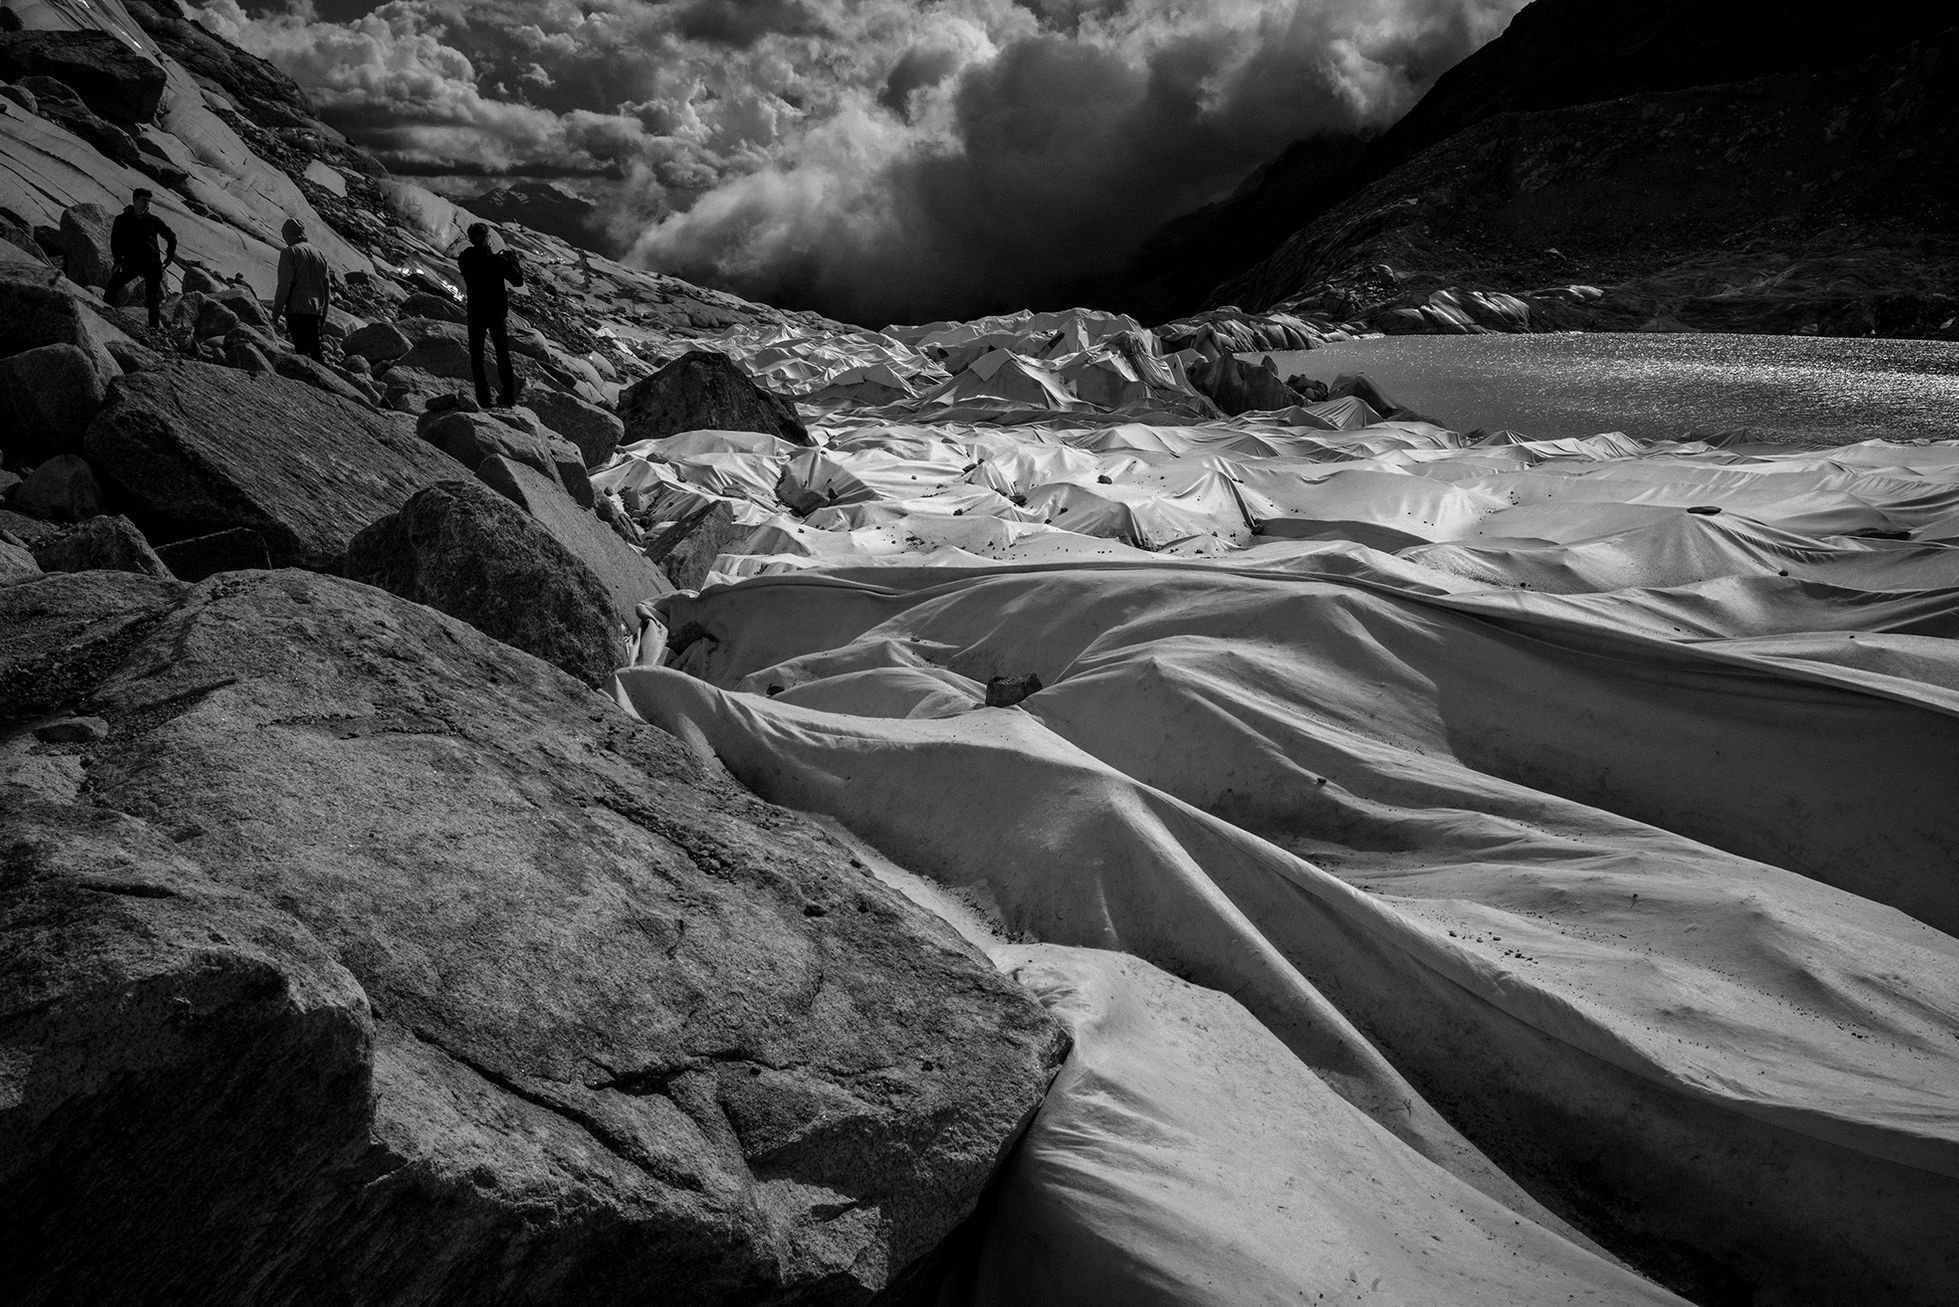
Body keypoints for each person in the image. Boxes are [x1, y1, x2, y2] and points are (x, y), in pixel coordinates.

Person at [458, 222, 524, 407]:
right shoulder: (497, 261)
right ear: (487, 238)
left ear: (470, 238)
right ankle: (508, 396)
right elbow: (518, 281)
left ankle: (484, 398)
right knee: (502, 353)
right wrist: (513, 261)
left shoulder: (465, 258)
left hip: (476, 311)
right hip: (496, 313)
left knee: (476, 356)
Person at [105, 188, 177, 329]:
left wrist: (170, 256)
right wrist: (118, 260)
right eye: (144, 200)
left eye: (149, 201)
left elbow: (171, 237)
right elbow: (115, 241)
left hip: (152, 264)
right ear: (135, 200)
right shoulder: (122, 220)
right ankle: (105, 313)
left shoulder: (153, 220)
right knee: (113, 286)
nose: (147, 204)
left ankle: (154, 330)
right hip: (131, 262)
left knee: (152, 300)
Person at [270, 217, 331, 361]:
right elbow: (326, 287)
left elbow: (284, 285)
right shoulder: (320, 254)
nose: (284, 238)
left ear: (289, 234)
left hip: (297, 309)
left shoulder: (289, 252)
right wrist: (324, 314)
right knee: (315, 351)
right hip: (315, 310)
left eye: (284, 234)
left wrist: (276, 312)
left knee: (301, 352)